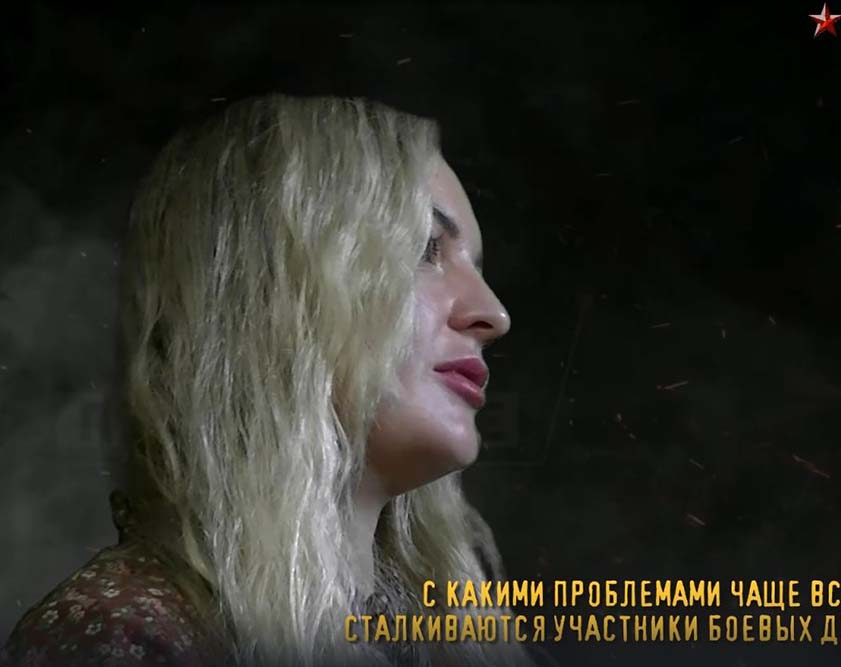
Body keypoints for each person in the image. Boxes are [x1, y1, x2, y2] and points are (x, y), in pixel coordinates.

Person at [1, 93, 536, 667]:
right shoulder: (119, 639)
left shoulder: (432, 635)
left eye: (475, 268)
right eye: (425, 248)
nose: (493, 314)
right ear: (271, 295)